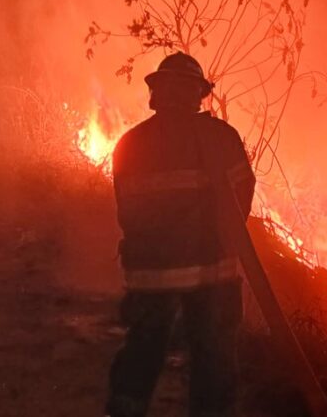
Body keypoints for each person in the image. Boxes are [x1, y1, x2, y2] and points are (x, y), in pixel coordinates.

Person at [106, 52, 256, 417]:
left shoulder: (130, 143)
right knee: (213, 358)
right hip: (212, 272)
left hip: (149, 273)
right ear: (198, 95)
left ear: (157, 94)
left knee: (142, 351)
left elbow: (127, 211)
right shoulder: (220, 137)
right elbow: (242, 201)